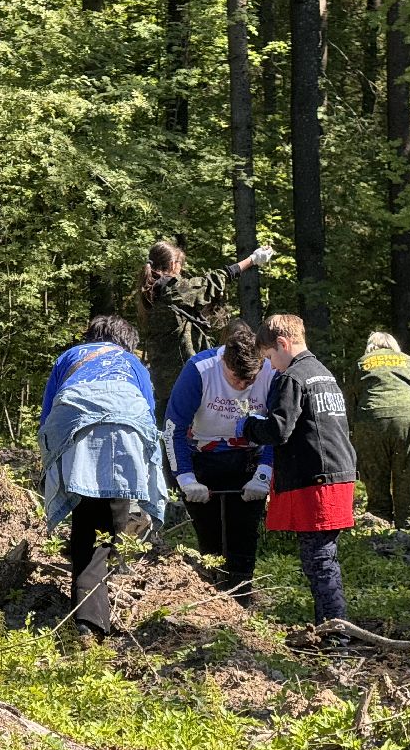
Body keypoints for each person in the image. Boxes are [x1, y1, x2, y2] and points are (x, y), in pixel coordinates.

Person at [39, 315, 167, 646]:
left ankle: (88, 623)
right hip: (127, 432)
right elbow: (150, 414)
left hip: (77, 431)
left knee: (87, 526)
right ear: (126, 343)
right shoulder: (132, 363)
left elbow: (48, 413)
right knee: (116, 515)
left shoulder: (69, 357)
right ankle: (120, 562)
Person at [236, 314, 358, 629]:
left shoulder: (292, 377)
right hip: (339, 472)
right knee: (323, 556)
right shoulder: (324, 373)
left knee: (319, 561)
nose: (271, 366)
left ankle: (336, 634)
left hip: (317, 478)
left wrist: (248, 425)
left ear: (282, 343)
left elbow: (279, 431)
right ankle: (330, 626)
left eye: (269, 357)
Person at [165, 321, 275, 606]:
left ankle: (242, 597)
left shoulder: (271, 370)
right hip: (202, 454)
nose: (242, 386)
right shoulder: (199, 370)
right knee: (208, 531)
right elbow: (173, 429)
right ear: (223, 359)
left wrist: (264, 475)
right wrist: (186, 478)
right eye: (236, 379)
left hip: (249, 456)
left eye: (249, 380)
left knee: (244, 531)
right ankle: (211, 594)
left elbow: (280, 430)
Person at [136, 240, 275, 419]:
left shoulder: (150, 292)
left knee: (168, 426)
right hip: (182, 376)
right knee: (186, 428)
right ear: (172, 264)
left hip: (163, 378)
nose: (182, 270)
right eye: (180, 265)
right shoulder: (171, 290)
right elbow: (212, 282)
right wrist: (252, 260)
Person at [352, 332, 410, 530]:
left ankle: (378, 524)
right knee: (408, 475)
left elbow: (352, 399)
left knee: (375, 475)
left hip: (371, 420)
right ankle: (409, 527)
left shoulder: (362, 363)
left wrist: (355, 429)